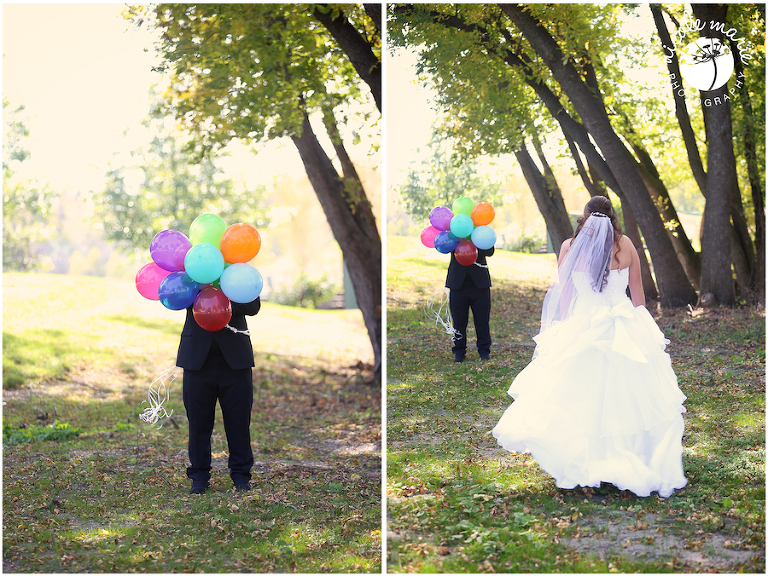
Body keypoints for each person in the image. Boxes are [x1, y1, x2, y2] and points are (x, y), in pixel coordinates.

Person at [492, 196, 687, 497]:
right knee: (624, 395)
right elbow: (637, 294)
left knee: (581, 394)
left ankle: (585, 462)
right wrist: (643, 328)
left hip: (583, 324)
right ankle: (626, 455)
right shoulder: (626, 245)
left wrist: (565, 328)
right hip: (623, 325)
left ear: (584, 217)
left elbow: (565, 292)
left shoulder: (570, 247)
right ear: (613, 217)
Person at [176, 295, 261, 494]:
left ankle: (241, 475)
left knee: (239, 421)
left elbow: (253, 305)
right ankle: (199, 476)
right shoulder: (190, 275)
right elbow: (178, 298)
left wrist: (221, 300)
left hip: (236, 357)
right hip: (196, 357)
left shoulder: (239, 277)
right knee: (197, 422)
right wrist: (201, 292)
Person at [446, 245, 494, 362]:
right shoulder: (454, 234)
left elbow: (490, 250)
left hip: (480, 283)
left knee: (482, 320)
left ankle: (484, 351)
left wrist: (473, 246)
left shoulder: (481, 234)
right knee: (458, 321)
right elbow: (445, 247)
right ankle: (459, 351)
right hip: (457, 283)